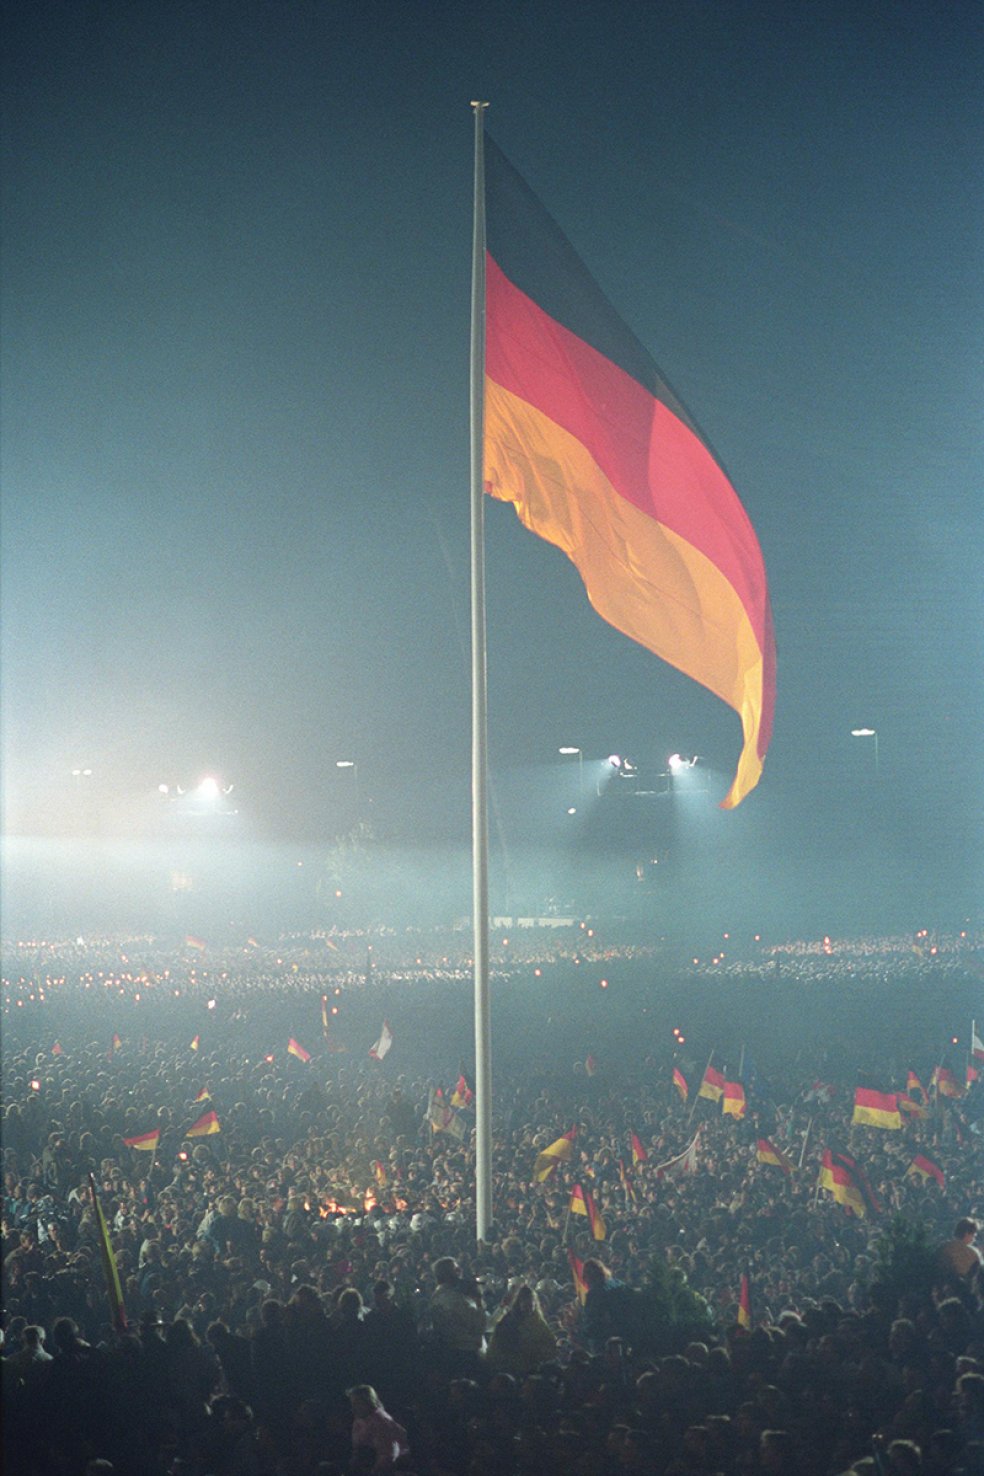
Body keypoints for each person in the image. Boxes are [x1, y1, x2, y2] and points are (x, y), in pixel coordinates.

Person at [487, 1284, 557, 1376]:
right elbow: (499, 1345)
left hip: (532, 1369)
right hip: (509, 1369)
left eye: (531, 1304)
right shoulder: (508, 1321)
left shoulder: (538, 1323)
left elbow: (549, 1343)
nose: (528, 1308)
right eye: (525, 1304)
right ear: (519, 1303)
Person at [347, 1383, 409, 1473]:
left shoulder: (380, 1422)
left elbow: (388, 1454)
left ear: (368, 1401)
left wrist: (374, 1472)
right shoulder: (359, 1420)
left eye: (357, 1403)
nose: (353, 1407)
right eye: (352, 1403)